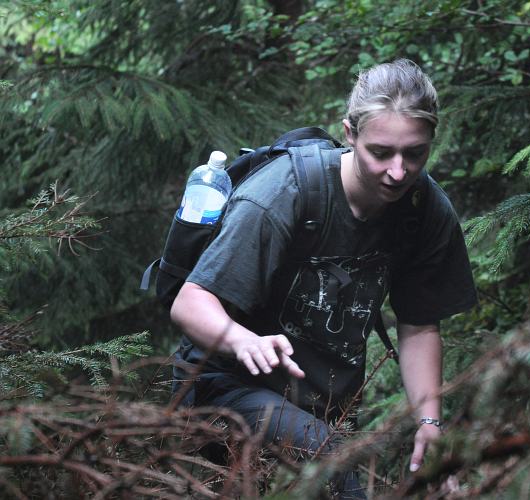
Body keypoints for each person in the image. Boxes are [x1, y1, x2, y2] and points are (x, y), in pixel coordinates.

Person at [170, 59, 477, 498]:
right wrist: (243, 341)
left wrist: (429, 422)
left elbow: (420, 326)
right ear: (350, 133)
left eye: (414, 153)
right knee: (336, 474)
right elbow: (190, 301)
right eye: (381, 152)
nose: (398, 171)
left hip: (323, 406)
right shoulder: (284, 194)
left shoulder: (422, 208)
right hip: (227, 386)